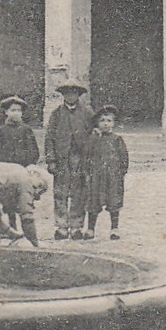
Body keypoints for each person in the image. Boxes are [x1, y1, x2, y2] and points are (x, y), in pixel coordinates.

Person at [43, 80, 94, 240]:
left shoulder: (87, 113)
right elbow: (50, 137)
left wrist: (90, 159)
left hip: (80, 158)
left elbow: (93, 136)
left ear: (78, 94)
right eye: (67, 93)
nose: (70, 96)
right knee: (60, 193)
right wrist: (51, 160)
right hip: (61, 159)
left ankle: (76, 226)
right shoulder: (57, 113)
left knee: (79, 193)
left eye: (73, 92)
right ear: (63, 95)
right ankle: (61, 226)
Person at [85, 104, 130, 240]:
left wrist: (120, 172)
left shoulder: (117, 140)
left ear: (114, 123)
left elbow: (124, 158)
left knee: (114, 200)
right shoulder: (93, 139)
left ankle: (114, 228)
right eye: (102, 120)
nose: (105, 124)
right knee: (94, 200)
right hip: (96, 176)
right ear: (97, 123)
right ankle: (90, 229)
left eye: (109, 121)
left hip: (113, 177)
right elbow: (87, 155)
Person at [0, 96, 40, 166]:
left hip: (24, 167)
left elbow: (33, 151)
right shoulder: (1, 131)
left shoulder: (26, 130)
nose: (16, 113)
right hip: (6, 168)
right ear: (6, 112)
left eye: (19, 110)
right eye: (13, 110)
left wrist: (30, 164)